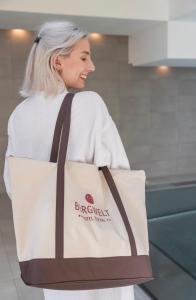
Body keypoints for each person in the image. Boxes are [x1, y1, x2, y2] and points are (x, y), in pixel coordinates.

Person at [3, 21, 134, 300]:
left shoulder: (19, 115)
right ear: (57, 61)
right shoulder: (89, 104)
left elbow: (13, 185)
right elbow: (120, 173)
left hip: (50, 249)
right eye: (84, 57)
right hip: (97, 246)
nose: (92, 66)